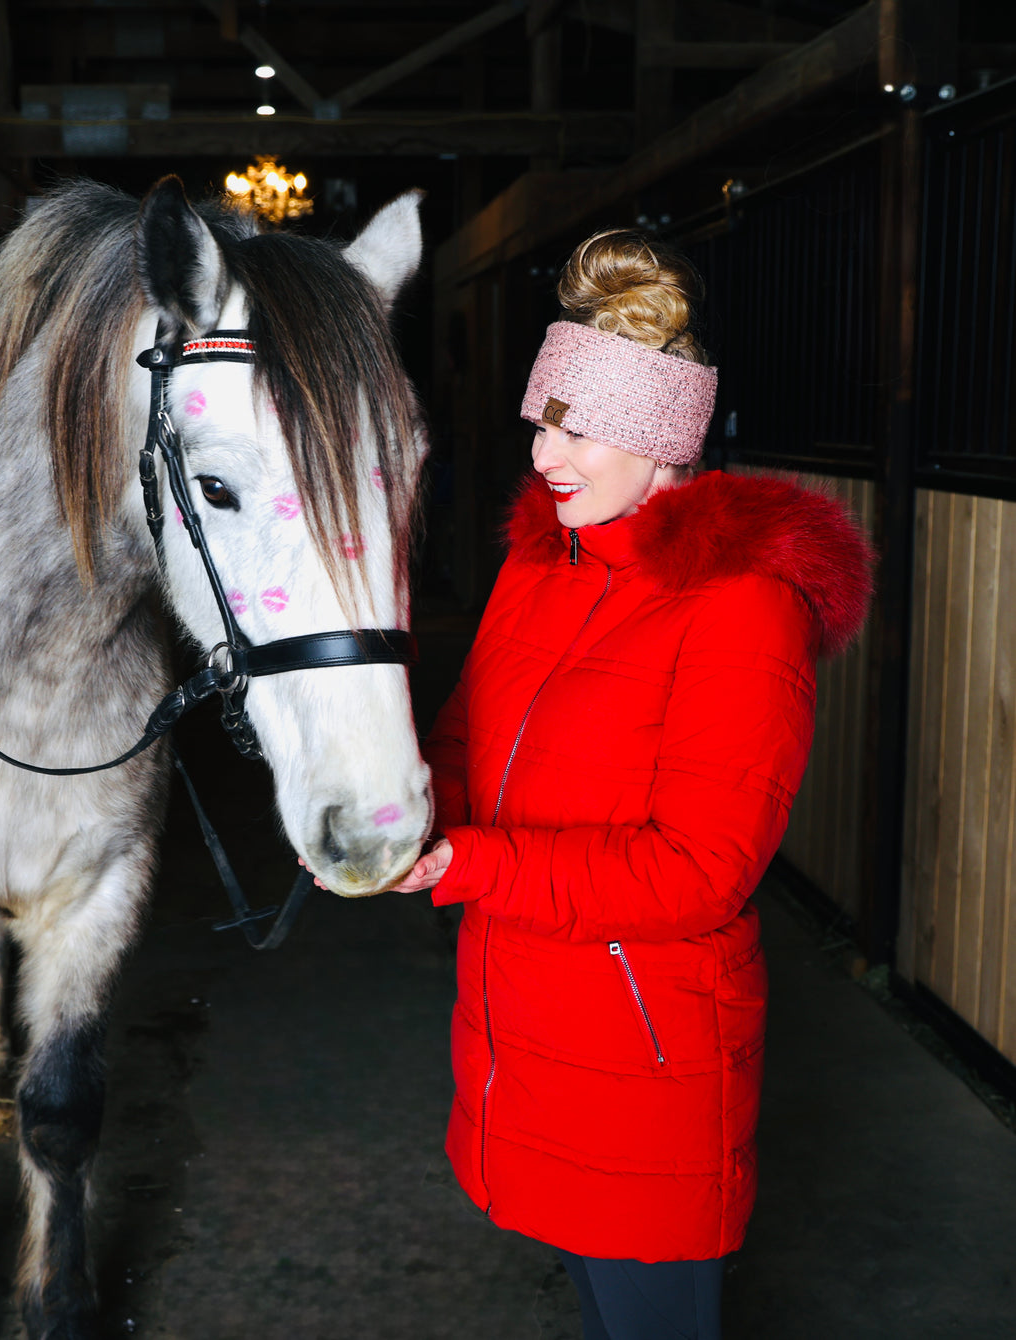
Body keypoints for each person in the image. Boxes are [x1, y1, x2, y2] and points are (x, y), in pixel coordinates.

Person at [392, 230, 874, 1338]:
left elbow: (698, 870)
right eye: (540, 420)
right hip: (522, 1021)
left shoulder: (741, 609)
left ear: (663, 441)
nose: (543, 453)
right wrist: (394, 827)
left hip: (641, 1051)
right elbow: (465, 741)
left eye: (577, 426)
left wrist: (470, 864)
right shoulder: (539, 562)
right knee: (593, 1295)